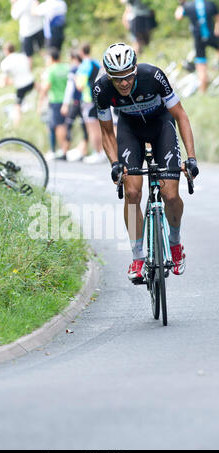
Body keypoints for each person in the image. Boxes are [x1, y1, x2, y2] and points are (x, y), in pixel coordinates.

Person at [93, 42, 199, 281]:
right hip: (130, 130)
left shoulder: (153, 76)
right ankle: (138, 258)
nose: (123, 83)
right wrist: (114, 164)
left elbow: (180, 115)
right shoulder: (101, 89)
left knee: (170, 195)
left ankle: (174, 244)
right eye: (117, 78)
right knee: (132, 193)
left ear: (135, 69)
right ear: (109, 76)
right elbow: (107, 132)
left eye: (128, 76)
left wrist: (191, 158)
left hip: (161, 126)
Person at [175, 0, 219, 92]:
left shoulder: (189, 6)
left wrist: (181, 4)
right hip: (212, 36)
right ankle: (216, 63)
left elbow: (178, 16)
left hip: (198, 39)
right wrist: (217, 28)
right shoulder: (210, 4)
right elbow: (217, 18)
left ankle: (203, 91)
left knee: (201, 66)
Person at [75, 42, 105, 164]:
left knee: (92, 129)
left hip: (88, 100)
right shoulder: (96, 63)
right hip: (98, 98)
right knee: (100, 127)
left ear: (81, 52)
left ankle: (97, 153)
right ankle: (102, 152)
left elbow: (80, 86)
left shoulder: (84, 65)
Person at [38, 47, 69, 160]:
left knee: (57, 126)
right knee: (62, 125)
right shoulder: (66, 68)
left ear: (51, 58)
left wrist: (40, 101)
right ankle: (61, 149)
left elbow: (46, 87)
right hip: (66, 100)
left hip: (55, 100)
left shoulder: (51, 70)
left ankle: (62, 150)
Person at [60, 50, 89, 162]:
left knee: (68, 125)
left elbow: (70, 88)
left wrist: (65, 104)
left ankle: (64, 152)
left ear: (74, 59)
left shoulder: (74, 70)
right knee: (84, 128)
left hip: (76, 102)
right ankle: (83, 152)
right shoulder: (86, 68)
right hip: (85, 102)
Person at [0, 42, 36, 127]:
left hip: (21, 85)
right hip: (31, 81)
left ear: (6, 51)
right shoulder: (22, 56)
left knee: (17, 107)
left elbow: (4, 79)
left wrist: (3, 83)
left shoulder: (5, 62)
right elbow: (29, 68)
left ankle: (17, 126)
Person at [10, 0, 44, 69]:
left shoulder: (19, 3)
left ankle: (29, 73)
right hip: (39, 27)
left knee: (28, 55)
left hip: (27, 31)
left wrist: (13, 4)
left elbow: (14, 16)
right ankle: (48, 66)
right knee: (42, 49)